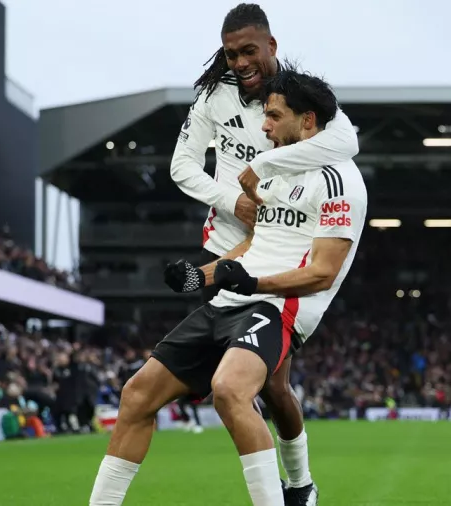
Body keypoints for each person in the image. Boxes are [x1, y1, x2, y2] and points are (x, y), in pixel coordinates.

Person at [89, 66, 367, 506]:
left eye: (275, 117)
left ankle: (292, 491)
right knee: (136, 394)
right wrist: (201, 274)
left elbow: (323, 273)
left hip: (280, 306)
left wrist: (251, 281)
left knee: (230, 390)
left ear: (308, 120)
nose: (265, 126)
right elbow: (257, 244)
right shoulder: (274, 173)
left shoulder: (339, 180)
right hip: (231, 300)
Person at [169, 4, 359, 502]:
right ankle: (289, 488)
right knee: (244, 387)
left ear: (271, 46)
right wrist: (233, 199)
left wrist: (268, 165)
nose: (240, 62)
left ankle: (297, 485)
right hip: (231, 246)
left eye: (249, 51)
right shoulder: (213, 95)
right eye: (231, 54)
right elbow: (182, 166)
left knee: (268, 389)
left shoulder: (299, 97)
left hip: (282, 249)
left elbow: (347, 142)